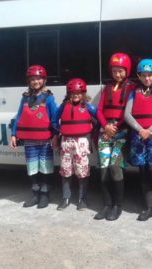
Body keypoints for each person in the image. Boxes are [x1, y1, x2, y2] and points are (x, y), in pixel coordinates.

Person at [124, 59, 152, 221]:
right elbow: (127, 114)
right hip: (138, 135)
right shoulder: (133, 92)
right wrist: (140, 130)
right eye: (144, 75)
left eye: (150, 75)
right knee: (143, 171)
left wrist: (150, 130)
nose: (147, 78)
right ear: (139, 76)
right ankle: (149, 206)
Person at [10, 65, 58, 209]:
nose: (35, 81)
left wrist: (56, 135)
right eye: (32, 79)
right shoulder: (25, 98)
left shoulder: (48, 98)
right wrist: (13, 134)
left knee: (45, 168)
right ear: (29, 81)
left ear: (43, 80)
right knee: (32, 169)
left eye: (38, 78)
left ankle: (45, 195)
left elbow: (54, 118)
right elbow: (19, 116)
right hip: (29, 141)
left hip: (45, 140)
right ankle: (35, 195)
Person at [94, 53, 135, 221]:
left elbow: (129, 111)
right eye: (115, 71)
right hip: (105, 131)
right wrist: (105, 126)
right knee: (103, 170)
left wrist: (115, 127)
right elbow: (98, 110)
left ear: (127, 71)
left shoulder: (131, 88)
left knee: (115, 168)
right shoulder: (107, 88)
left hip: (121, 132)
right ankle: (107, 204)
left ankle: (117, 205)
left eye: (120, 71)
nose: (117, 74)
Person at [56, 78, 99, 211]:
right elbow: (54, 119)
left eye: (79, 93)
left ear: (83, 93)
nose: (75, 95)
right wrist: (57, 133)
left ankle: (82, 198)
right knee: (66, 170)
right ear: (68, 94)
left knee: (82, 171)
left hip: (81, 142)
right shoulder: (63, 106)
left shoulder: (87, 106)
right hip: (66, 142)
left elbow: (99, 117)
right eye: (72, 93)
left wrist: (96, 128)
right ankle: (66, 197)